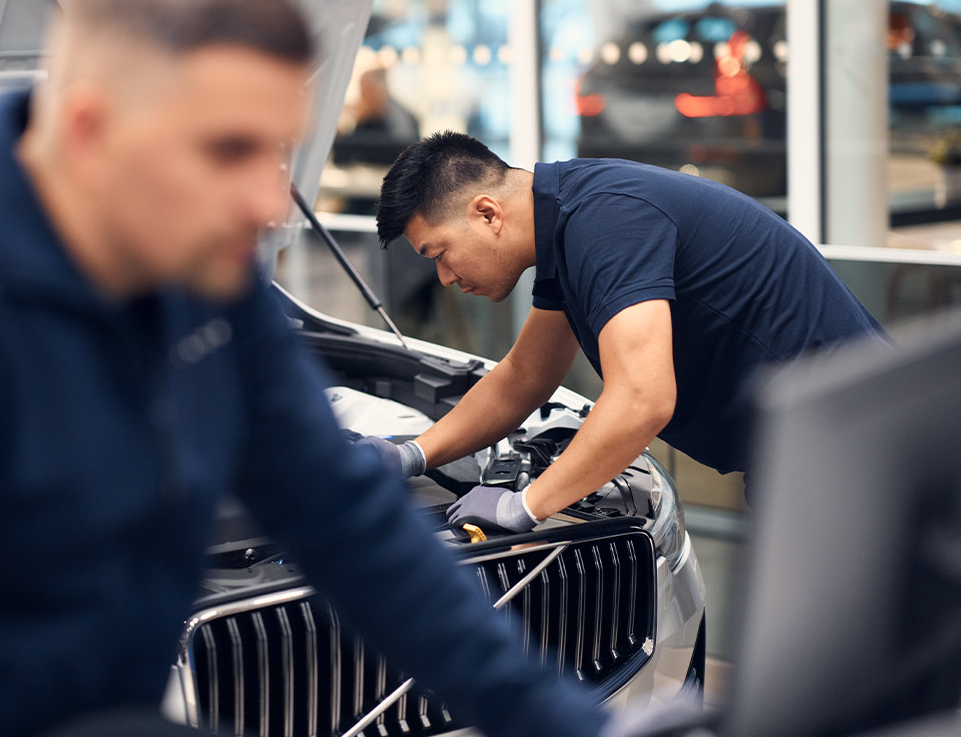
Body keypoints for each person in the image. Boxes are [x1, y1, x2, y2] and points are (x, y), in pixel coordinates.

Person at [0, 0, 608, 737]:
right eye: (229, 150)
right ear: (92, 130)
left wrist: (570, 725)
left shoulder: (206, 291)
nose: (271, 201)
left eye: (279, 152)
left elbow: (352, 530)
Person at [363, 131, 886, 533]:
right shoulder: (570, 224)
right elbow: (525, 375)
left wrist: (527, 504)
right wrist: (413, 453)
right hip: (825, 451)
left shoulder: (605, 219)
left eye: (439, 253)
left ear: (487, 213)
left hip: (860, 456)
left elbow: (642, 398)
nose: (445, 278)